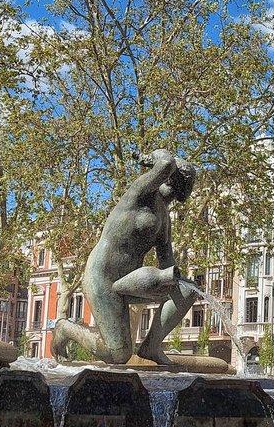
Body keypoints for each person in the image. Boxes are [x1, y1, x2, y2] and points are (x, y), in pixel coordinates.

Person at [52, 149, 198, 366]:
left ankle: (151, 347)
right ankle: (65, 328)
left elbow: (168, 264)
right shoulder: (141, 191)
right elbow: (166, 161)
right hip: (102, 275)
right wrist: (147, 157)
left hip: (129, 281)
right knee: (117, 355)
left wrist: (173, 279)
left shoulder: (165, 221)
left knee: (186, 291)